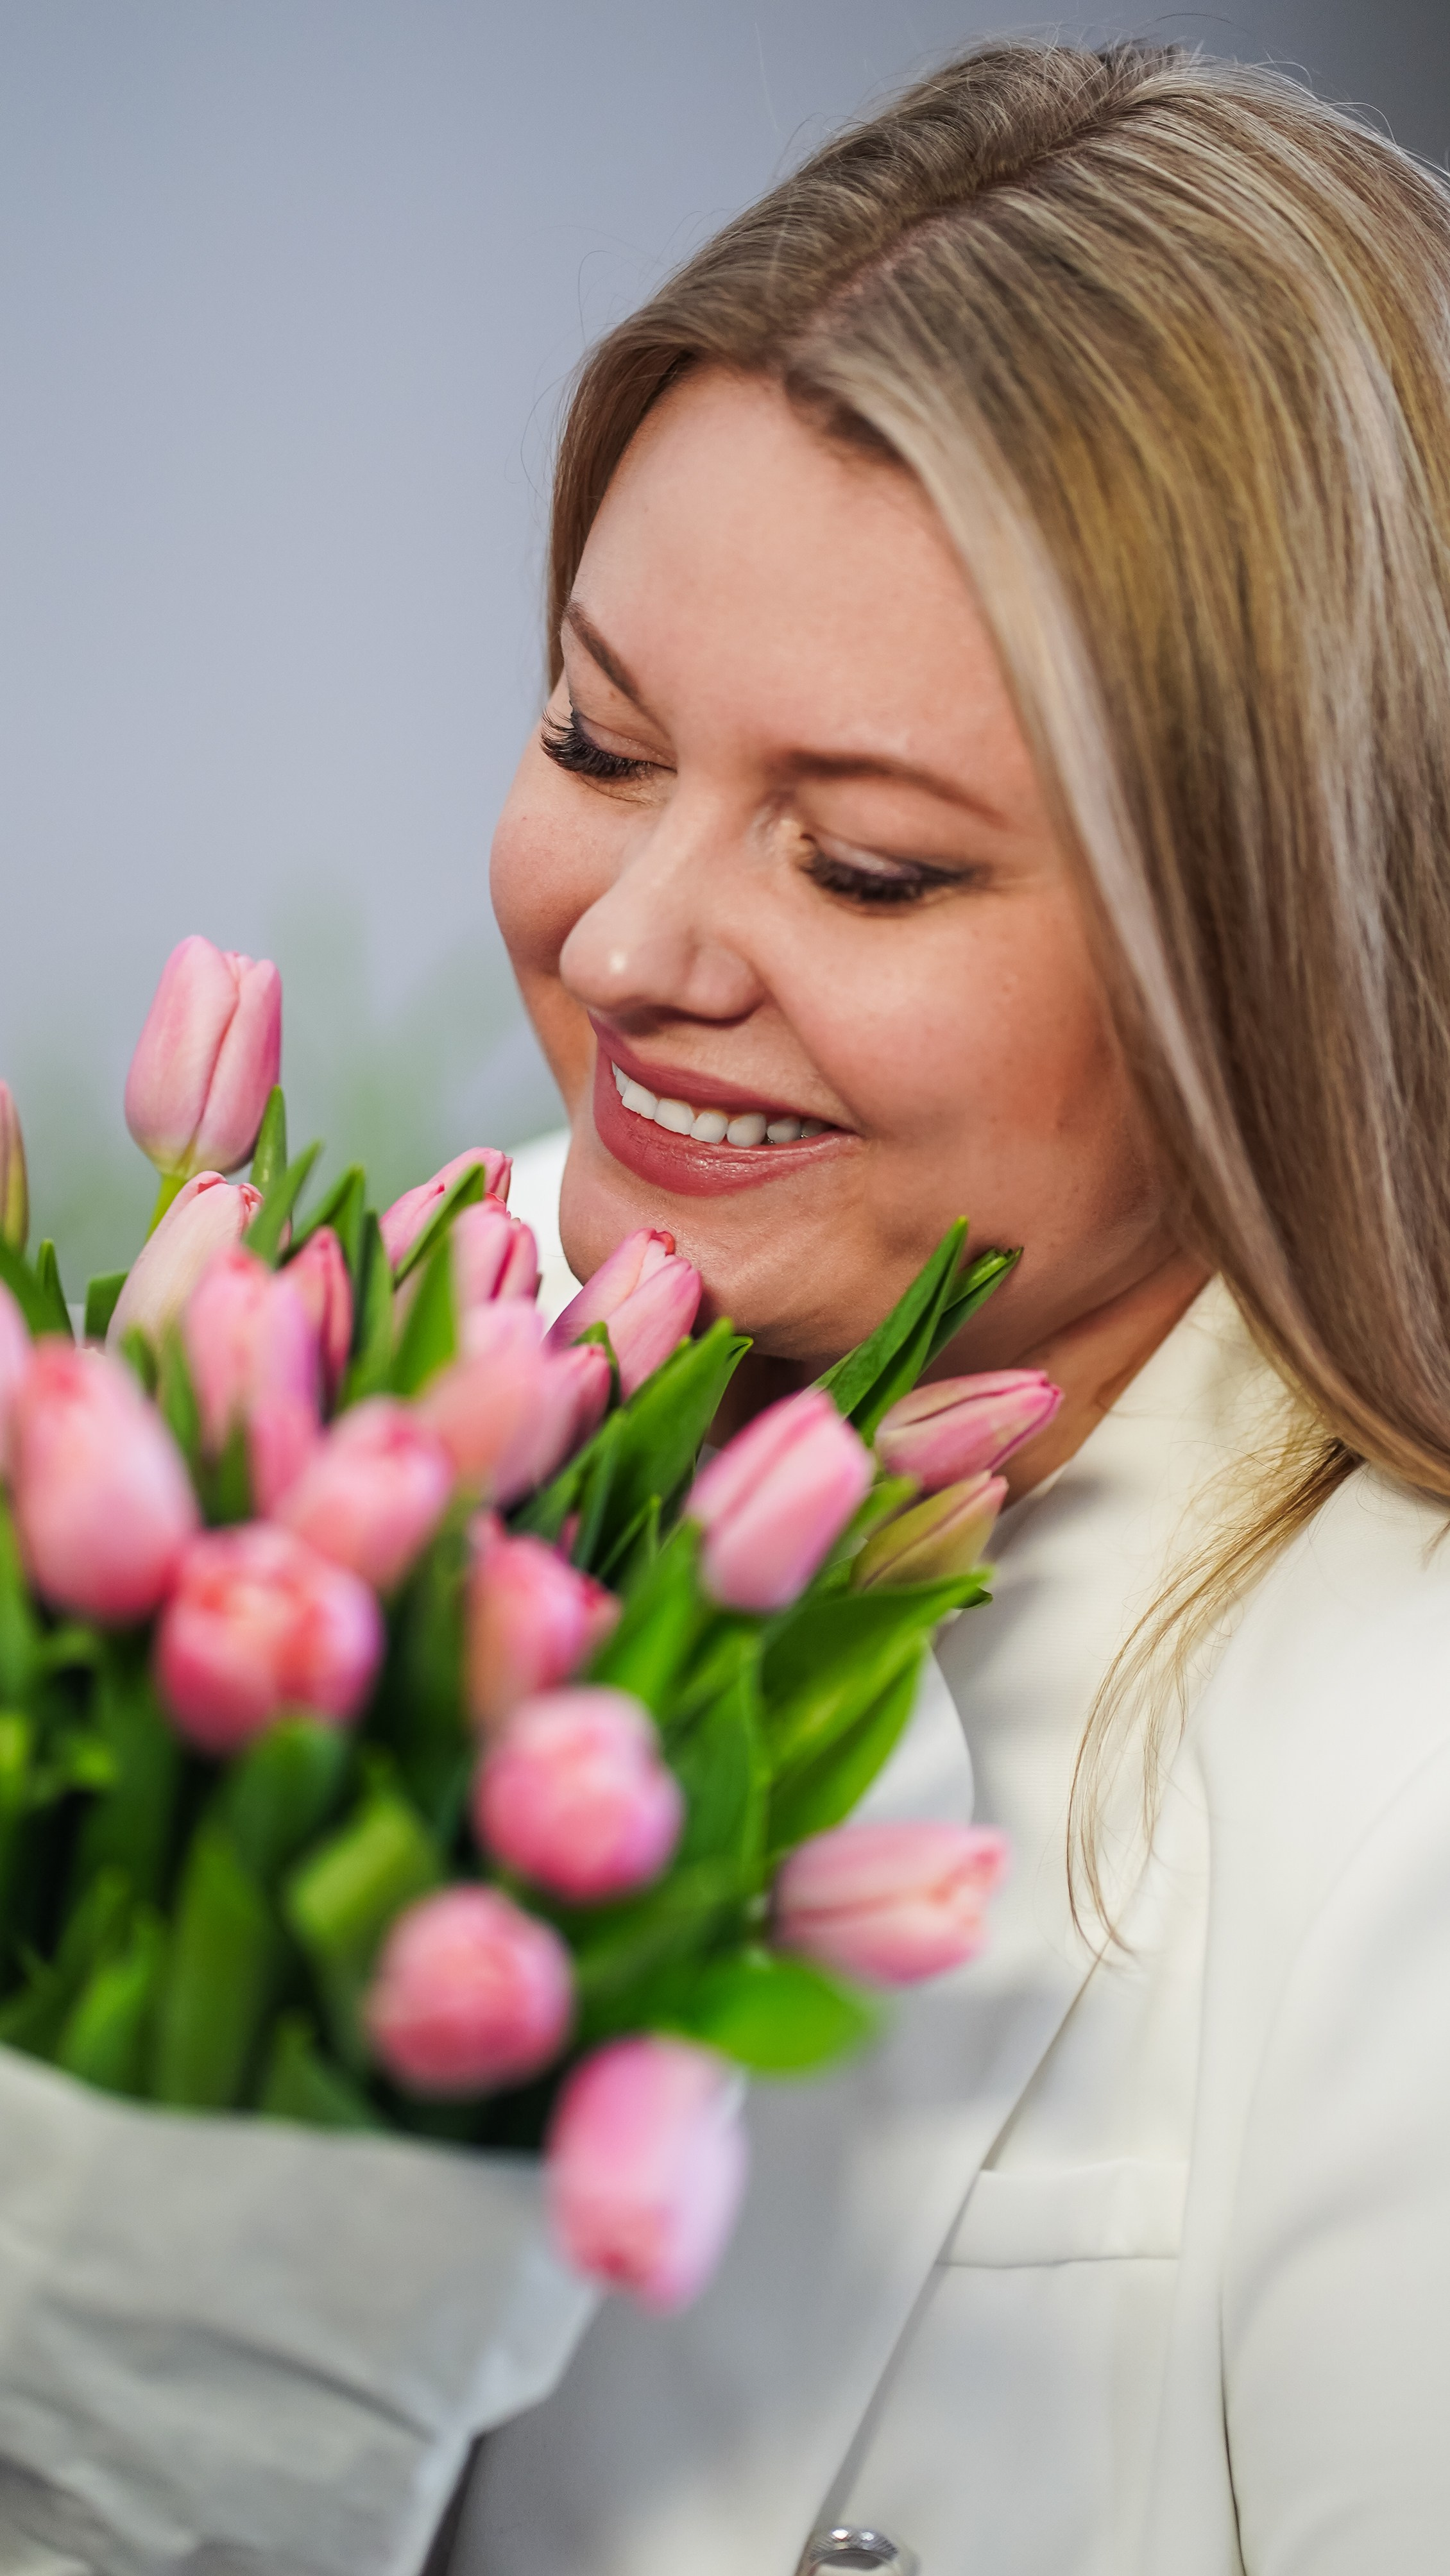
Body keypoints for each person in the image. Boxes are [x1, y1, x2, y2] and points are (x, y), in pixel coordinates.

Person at [452, 40, 1450, 2574]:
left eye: (867, 865)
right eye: (596, 734)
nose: (626, 942)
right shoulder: (339, 1434)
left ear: (1270, 952)